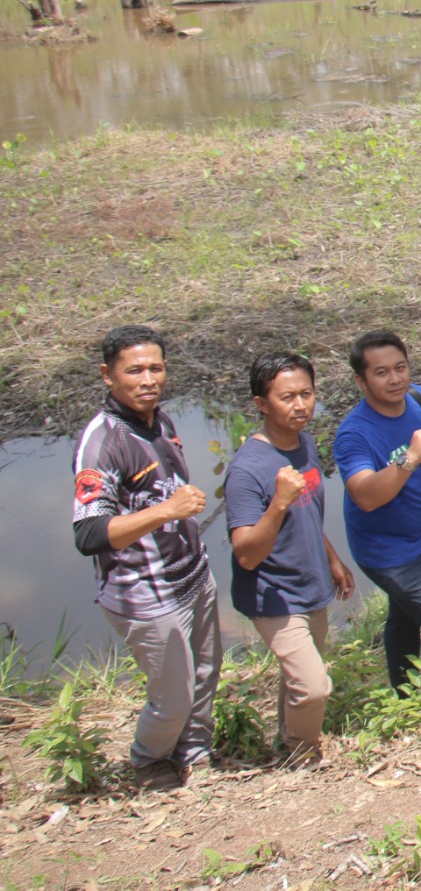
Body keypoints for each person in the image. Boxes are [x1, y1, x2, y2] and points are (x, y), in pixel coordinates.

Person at [72, 325, 219, 791]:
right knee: (172, 695)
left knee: (204, 674)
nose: (148, 379)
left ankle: (195, 753)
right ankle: (148, 763)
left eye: (156, 368)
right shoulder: (102, 441)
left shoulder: (160, 422)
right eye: (134, 370)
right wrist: (167, 510)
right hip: (145, 592)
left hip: (190, 574)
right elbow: (90, 532)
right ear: (107, 375)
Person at [224, 352, 355, 766]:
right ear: (262, 404)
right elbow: (246, 554)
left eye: (307, 394)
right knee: (313, 685)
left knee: (299, 677)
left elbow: (309, 513)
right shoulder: (247, 469)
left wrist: (332, 559)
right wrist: (277, 503)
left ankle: (288, 738)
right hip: (274, 594)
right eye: (287, 397)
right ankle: (302, 752)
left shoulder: (304, 444)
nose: (300, 405)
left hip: (311, 582)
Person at [333, 330, 421, 721]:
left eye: (400, 368)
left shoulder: (418, 401)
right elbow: (366, 495)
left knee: (405, 614)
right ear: (361, 381)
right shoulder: (354, 434)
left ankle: (403, 693)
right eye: (381, 373)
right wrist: (408, 458)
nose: (394, 379)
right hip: (386, 550)